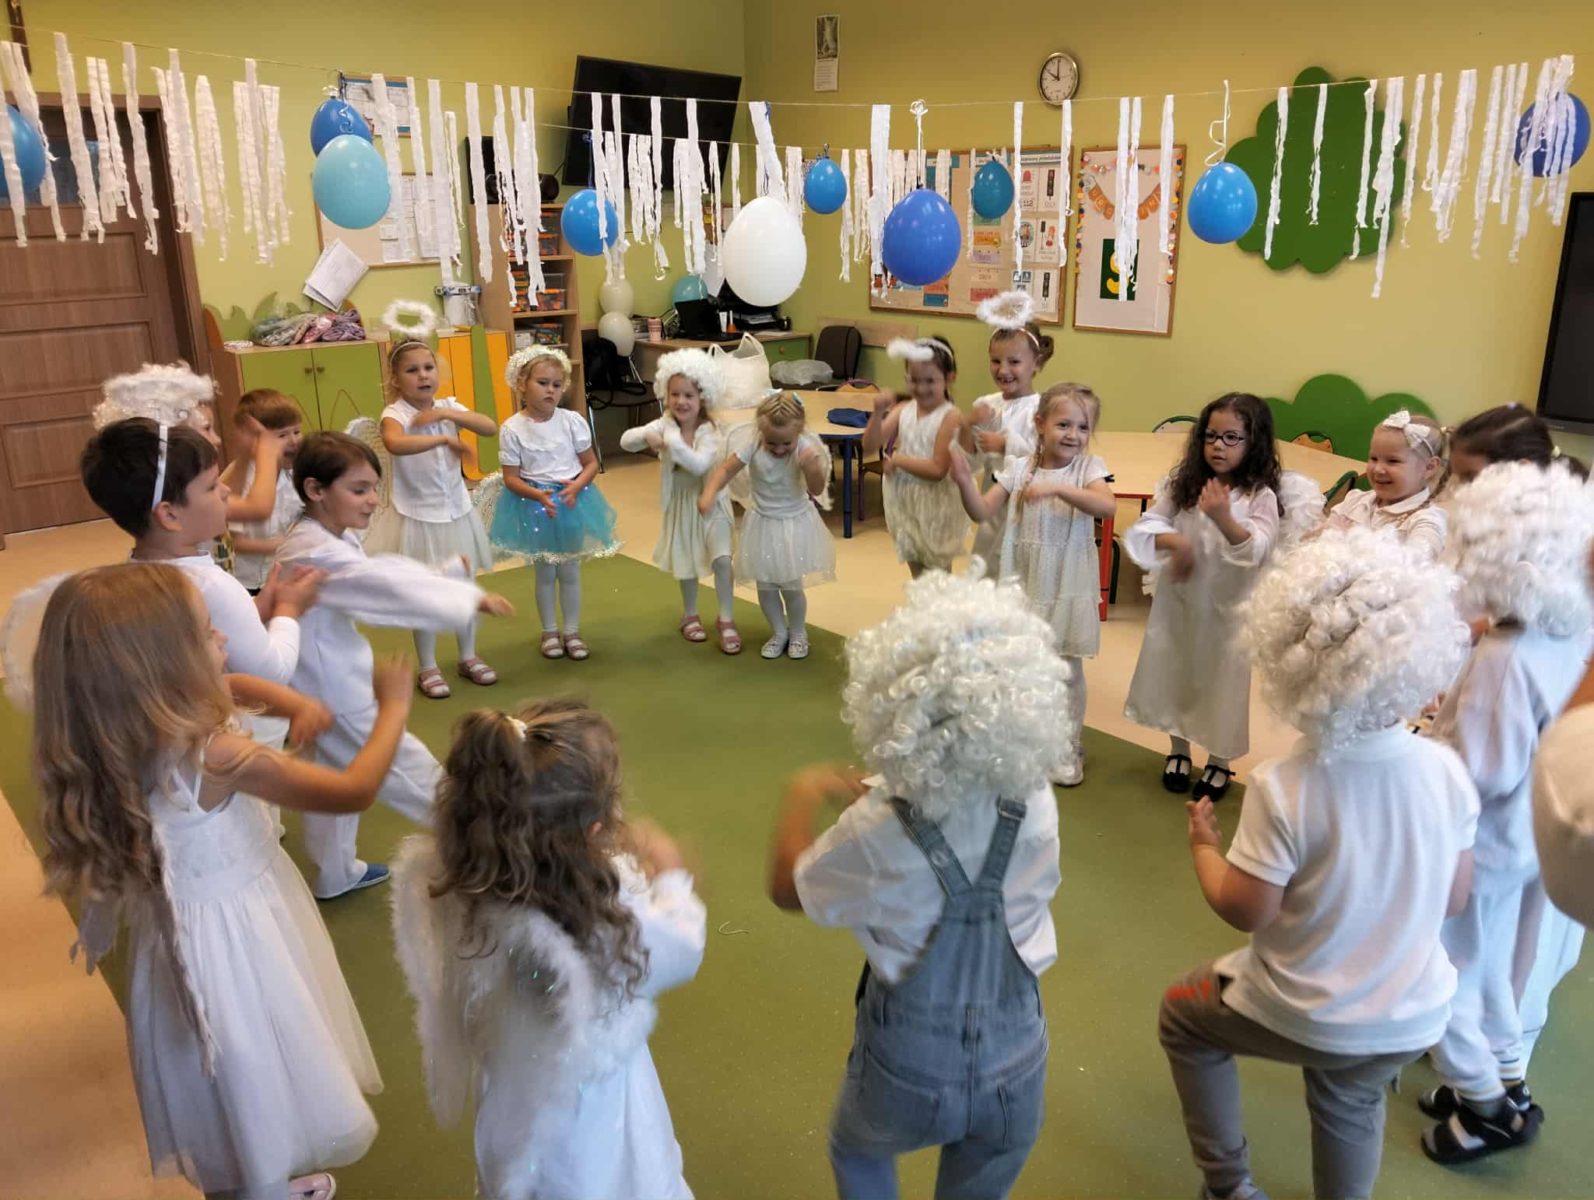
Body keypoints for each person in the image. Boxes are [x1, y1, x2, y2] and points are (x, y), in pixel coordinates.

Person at [28, 562, 415, 1200]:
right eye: (208, 632)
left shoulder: (119, 731)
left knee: (226, 1084)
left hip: (183, 946)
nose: (225, 639)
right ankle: (262, 1187)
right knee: (254, 1070)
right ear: (166, 668)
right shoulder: (220, 756)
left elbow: (232, 681)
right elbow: (353, 790)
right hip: (239, 949)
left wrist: (294, 702)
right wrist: (393, 708)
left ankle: (255, 1178)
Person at [1160, 526, 1477, 1200]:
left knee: (1182, 1017)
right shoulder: (1448, 772)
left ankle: (1228, 1185)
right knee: (1349, 1095)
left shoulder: (1286, 784)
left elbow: (1246, 909)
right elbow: (1454, 899)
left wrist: (1204, 847)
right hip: (1412, 1015)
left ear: (1288, 660)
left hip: (1307, 1011)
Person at [770, 567, 1072, 1199]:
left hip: (908, 1064)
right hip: (1018, 1058)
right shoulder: (1037, 799)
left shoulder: (877, 828)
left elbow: (789, 890)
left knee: (857, 1152)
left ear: (897, 705)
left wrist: (804, 792)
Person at [392, 700, 706, 1200]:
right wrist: (672, 879)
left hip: (513, 1083)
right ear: (592, 832)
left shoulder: (466, 879)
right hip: (589, 1110)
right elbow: (680, 948)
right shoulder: (598, 919)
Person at [1419, 459, 1594, 1163]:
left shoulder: (1504, 655)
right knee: (1489, 969)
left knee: (1442, 972)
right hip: (1522, 840)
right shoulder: (1564, 637)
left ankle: (1488, 1107)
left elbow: (1479, 772)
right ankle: (1500, 1080)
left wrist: (1423, 762)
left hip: (1477, 843)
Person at [276, 432, 514, 900]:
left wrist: (443, 576)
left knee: (330, 774)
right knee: (410, 771)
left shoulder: (322, 536)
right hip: (333, 688)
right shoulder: (315, 550)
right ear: (315, 490)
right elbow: (380, 586)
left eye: (374, 488)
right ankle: (486, 853)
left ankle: (335, 871)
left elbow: (380, 573)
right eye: (359, 490)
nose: (372, 500)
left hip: (316, 680)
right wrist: (464, 594)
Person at [1123, 393, 1297, 802]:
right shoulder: (1184, 486)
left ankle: (1219, 759)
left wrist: (1223, 518)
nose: (1218, 446)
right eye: (1211, 435)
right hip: (1181, 603)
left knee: (1222, 683)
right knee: (1175, 671)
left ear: (1254, 442)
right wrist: (1174, 542)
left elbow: (1258, 549)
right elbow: (1144, 527)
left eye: (1231, 437)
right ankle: (1178, 749)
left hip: (1228, 610)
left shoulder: (1259, 497)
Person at [951, 382, 1115, 786]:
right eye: (1064, 424)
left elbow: (1106, 505)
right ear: (1040, 424)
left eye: (1083, 427)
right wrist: (965, 482)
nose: (1073, 434)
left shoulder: (1088, 468)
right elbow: (981, 511)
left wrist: (1058, 487)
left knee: (1066, 668)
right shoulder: (1020, 467)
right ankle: (1025, 740)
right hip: (1024, 582)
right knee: (1020, 665)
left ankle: (1068, 745)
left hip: (1065, 583)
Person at [364, 339, 500, 698]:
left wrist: (447, 417)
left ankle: (468, 655)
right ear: (396, 379)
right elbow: (395, 443)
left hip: (456, 513)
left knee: (464, 586)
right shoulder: (395, 414)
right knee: (425, 592)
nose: (423, 376)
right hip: (418, 518)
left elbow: (488, 426)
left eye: (428, 368)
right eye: (412, 370)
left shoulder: (448, 407)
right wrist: (440, 441)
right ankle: (428, 666)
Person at [489, 346, 619, 662]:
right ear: (522, 384)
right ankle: (549, 631)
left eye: (557, 384)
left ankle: (571, 631)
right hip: (535, 504)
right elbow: (511, 478)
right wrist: (537, 495)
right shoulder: (512, 428)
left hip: (572, 500)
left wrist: (577, 486)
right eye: (542, 383)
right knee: (545, 572)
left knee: (570, 570)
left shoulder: (572, 421)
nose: (551, 390)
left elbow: (590, 463)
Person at [618, 348, 741, 653]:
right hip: (682, 503)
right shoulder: (665, 423)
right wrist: (647, 436)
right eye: (674, 394)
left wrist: (669, 442)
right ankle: (690, 614)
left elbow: (698, 465)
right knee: (687, 561)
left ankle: (726, 618)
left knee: (722, 559)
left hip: (712, 501)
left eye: (689, 395)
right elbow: (626, 441)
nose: (681, 402)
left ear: (703, 398)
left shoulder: (710, 430)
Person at [699, 392, 836, 660]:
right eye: (772, 442)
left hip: (793, 525)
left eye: (786, 443)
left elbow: (817, 488)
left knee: (791, 586)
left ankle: (798, 632)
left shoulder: (804, 448)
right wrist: (709, 493)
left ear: (798, 433)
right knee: (766, 586)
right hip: (762, 523)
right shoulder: (753, 445)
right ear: (761, 432)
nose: (779, 449)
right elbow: (725, 470)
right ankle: (779, 631)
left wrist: (812, 467)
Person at [959, 291, 1056, 576]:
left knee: (1020, 570)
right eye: (996, 361)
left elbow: (1046, 461)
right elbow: (972, 462)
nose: (1003, 370)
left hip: (1027, 509)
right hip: (993, 506)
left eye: (1014, 362)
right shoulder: (986, 405)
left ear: (1036, 363)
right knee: (989, 566)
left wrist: (1006, 444)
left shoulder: (1042, 409)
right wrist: (968, 426)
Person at [864, 337, 967, 577]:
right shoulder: (904, 409)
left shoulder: (950, 416)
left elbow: (937, 469)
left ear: (949, 378)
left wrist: (898, 459)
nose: (921, 388)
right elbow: (869, 446)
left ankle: (941, 604)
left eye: (930, 381)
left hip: (935, 504)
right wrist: (877, 413)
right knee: (917, 572)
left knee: (937, 576)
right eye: (914, 380)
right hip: (905, 501)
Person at [1318, 410, 1448, 557]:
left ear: (1429, 467)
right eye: (1373, 458)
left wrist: (1351, 539)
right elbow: (1320, 538)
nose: (1378, 469)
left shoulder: (1427, 522)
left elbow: (1415, 562)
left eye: (1393, 461)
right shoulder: (1355, 501)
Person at [223, 388, 306, 596]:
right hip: (244, 580)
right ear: (254, 441)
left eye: (296, 432)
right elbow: (231, 541)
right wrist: (276, 545)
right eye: (282, 435)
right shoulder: (241, 478)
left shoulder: (297, 475)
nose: (293, 441)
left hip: (279, 575)